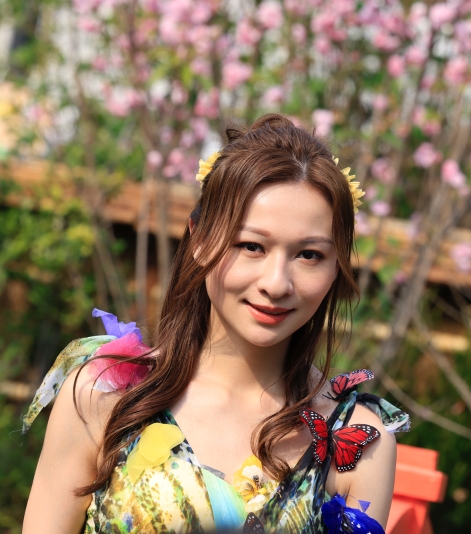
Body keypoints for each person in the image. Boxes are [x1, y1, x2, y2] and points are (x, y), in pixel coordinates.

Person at [21, 114, 409, 533]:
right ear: (200, 239)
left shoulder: (358, 442)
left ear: (336, 266)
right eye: (251, 246)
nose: (276, 283)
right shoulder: (105, 395)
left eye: (309, 255)